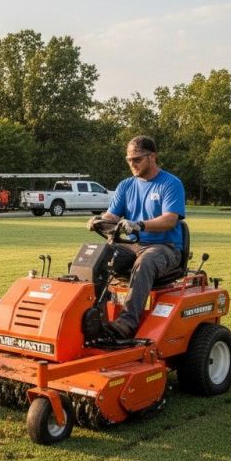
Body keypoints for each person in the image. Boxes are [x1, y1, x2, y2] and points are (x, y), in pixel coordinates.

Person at [87, 135, 185, 339]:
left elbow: (169, 220)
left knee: (145, 262)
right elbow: (112, 216)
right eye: (129, 160)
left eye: (137, 159)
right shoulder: (126, 186)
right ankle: (94, 318)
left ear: (152, 157)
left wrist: (139, 225)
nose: (132, 164)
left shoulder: (170, 184)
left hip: (165, 247)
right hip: (131, 245)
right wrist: (99, 220)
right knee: (94, 256)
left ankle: (126, 324)